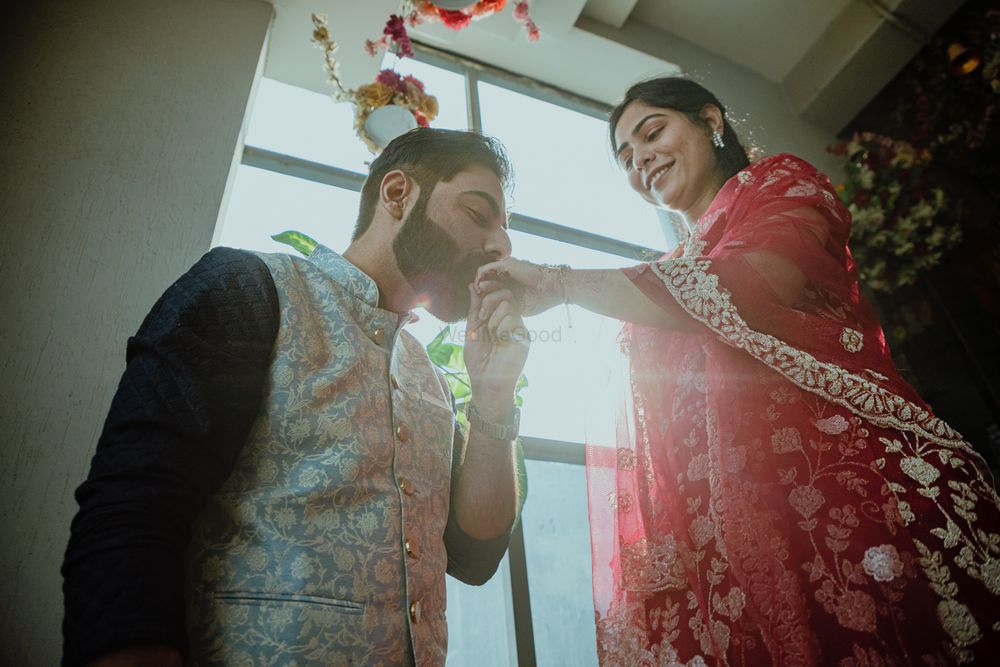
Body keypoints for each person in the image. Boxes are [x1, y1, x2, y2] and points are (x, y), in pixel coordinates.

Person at [474, 77, 1000, 665]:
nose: (640, 159)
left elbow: (754, 285)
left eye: (652, 133)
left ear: (711, 120)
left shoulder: (780, 185)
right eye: (625, 158)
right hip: (742, 536)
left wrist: (557, 282)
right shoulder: (669, 273)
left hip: (852, 491)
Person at [62, 128, 530, 667]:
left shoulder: (432, 379)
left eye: (505, 231)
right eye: (479, 213)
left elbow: (474, 555)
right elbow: (136, 507)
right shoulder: (245, 287)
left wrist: (494, 398)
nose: (501, 246)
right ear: (398, 193)